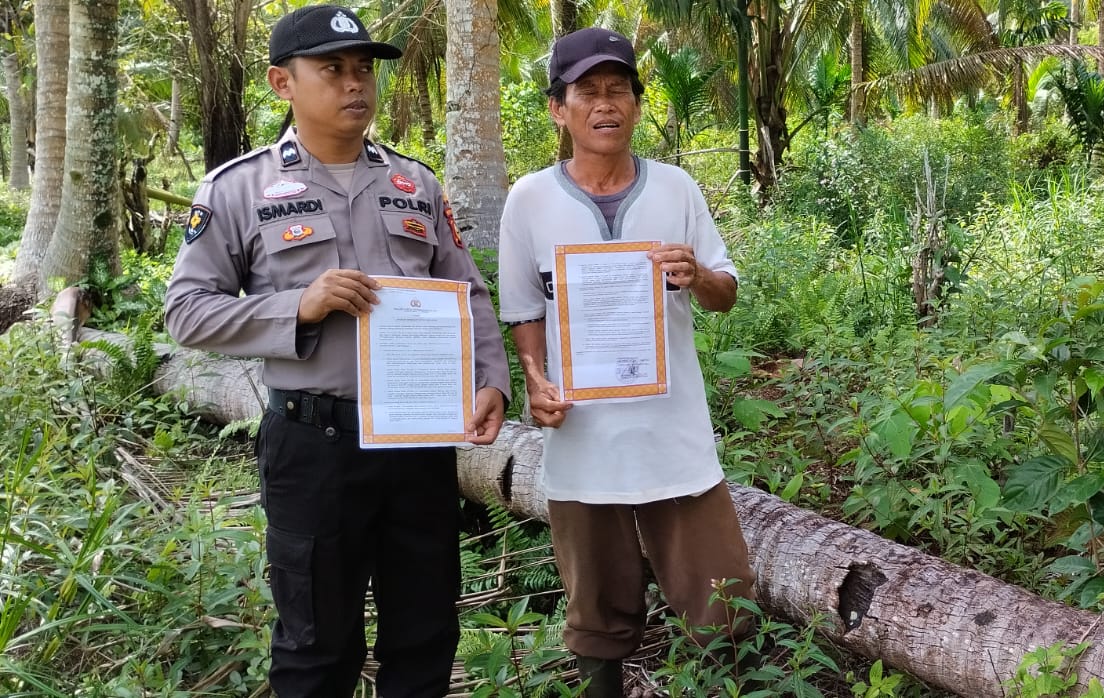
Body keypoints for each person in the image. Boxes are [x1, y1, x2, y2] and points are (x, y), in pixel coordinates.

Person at [163, 5, 510, 696]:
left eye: (363, 70)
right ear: (281, 83)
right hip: (314, 447)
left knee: (425, 635)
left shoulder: (414, 183)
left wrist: (491, 380)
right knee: (317, 648)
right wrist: (300, 304)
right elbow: (187, 312)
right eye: (332, 69)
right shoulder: (239, 189)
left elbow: (465, 290)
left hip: (418, 443)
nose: (356, 84)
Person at [496, 26, 756, 698]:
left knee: (724, 603)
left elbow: (726, 293)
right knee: (596, 615)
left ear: (638, 105)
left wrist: (696, 275)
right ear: (560, 108)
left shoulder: (675, 190)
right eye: (588, 92)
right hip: (583, 443)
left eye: (619, 90)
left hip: (675, 439)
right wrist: (534, 377)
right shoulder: (529, 200)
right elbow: (523, 308)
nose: (605, 104)